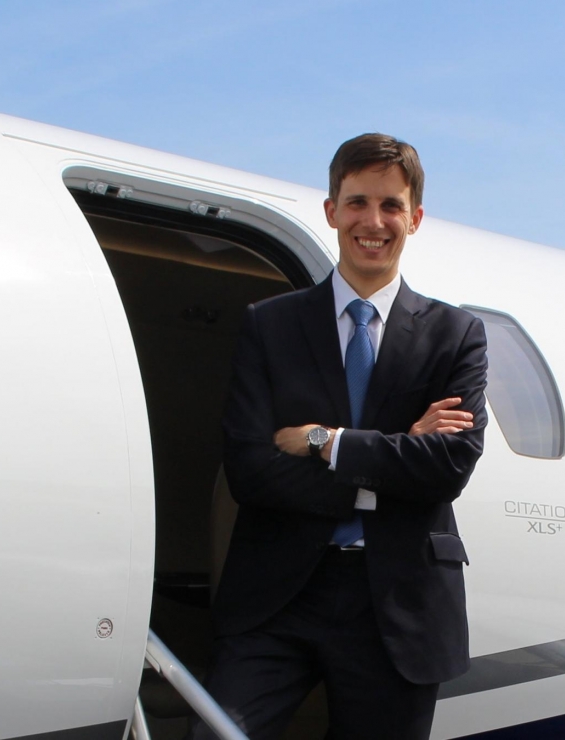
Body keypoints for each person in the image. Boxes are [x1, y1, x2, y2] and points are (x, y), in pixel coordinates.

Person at [197, 133, 487, 740]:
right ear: (332, 211)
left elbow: (447, 468)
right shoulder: (269, 325)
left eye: (391, 205)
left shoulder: (455, 336)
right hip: (278, 598)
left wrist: (324, 442)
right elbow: (250, 469)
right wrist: (395, 456)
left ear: (415, 218)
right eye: (357, 203)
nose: (373, 222)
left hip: (398, 605)